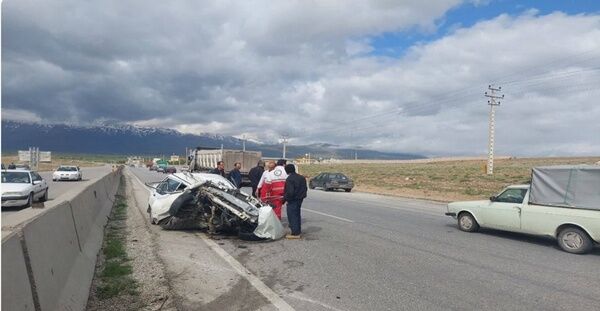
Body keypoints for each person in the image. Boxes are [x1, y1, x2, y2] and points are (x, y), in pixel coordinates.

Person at [283, 164, 307, 239]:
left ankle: (295, 233)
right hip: (300, 199)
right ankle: (298, 230)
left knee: (292, 216)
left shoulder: (289, 179)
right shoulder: (301, 177)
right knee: (297, 215)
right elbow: (305, 189)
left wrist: (285, 199)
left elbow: (290, 192)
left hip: (293, 200)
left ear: (287, 170)